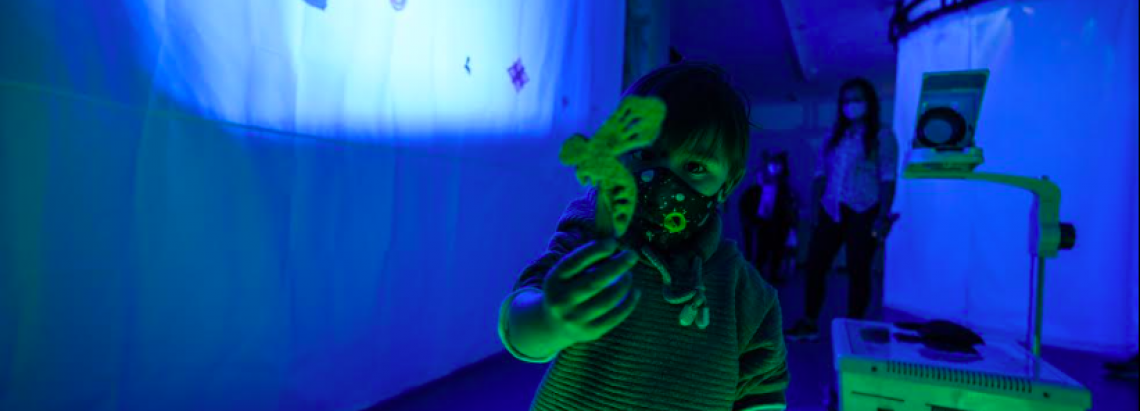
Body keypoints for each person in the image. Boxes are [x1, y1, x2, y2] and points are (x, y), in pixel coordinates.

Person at [498, 62, 789, 410]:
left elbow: (763, 389)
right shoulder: (590, 236)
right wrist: (548, 318)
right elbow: (520, 325)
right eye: (645, 155)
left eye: (695, 167)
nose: (663, 181)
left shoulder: (745, 291)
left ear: (726, 186)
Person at [785, 78, 899, 342]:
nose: (851, 105)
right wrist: (814, 209)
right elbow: (819, 174)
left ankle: (854, 329)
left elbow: (887, 178)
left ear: (869, 102)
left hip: (864, 209)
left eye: (857, 99)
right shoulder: (833, 135)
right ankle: (809, 321)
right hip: (831, 209)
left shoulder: (882, 136)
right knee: (815, 265)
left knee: (859, 270)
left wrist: (882, 216)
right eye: (846, 100)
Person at [740, 152, 796, 285]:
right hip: (764, 221)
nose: (775, 168)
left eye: (778, 165)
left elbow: (788, 204)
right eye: (772, 164)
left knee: (777, 248)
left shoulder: (784, 186)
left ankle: (772, 273)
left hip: (780, 221)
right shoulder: (761, 184)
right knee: (763, 248)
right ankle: (759, 274)